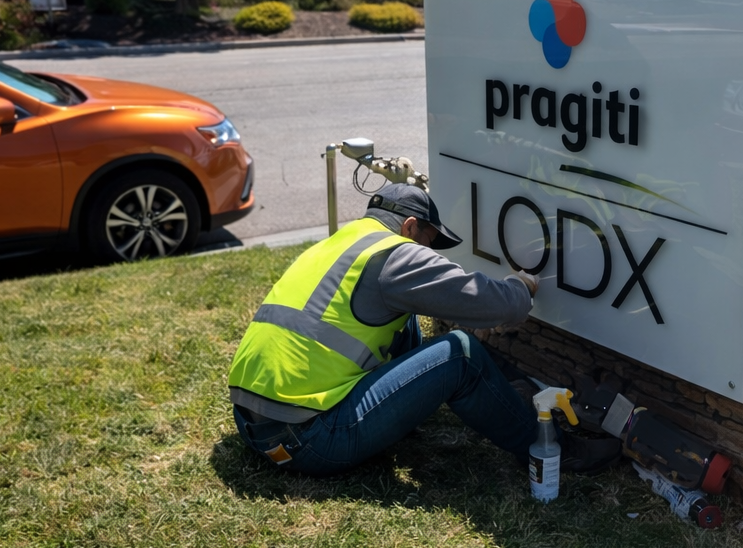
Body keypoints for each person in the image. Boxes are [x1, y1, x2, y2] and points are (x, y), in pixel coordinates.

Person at [228, 182, 541, 474]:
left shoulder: (337, 243)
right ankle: (543, 446)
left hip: (251, 424)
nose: (429, 252)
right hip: (309, 439)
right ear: (410, 227)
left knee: (404, 314)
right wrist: (521, 287)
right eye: (429, 241)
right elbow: (490, 304)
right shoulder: (394, 254)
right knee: (460, 354)